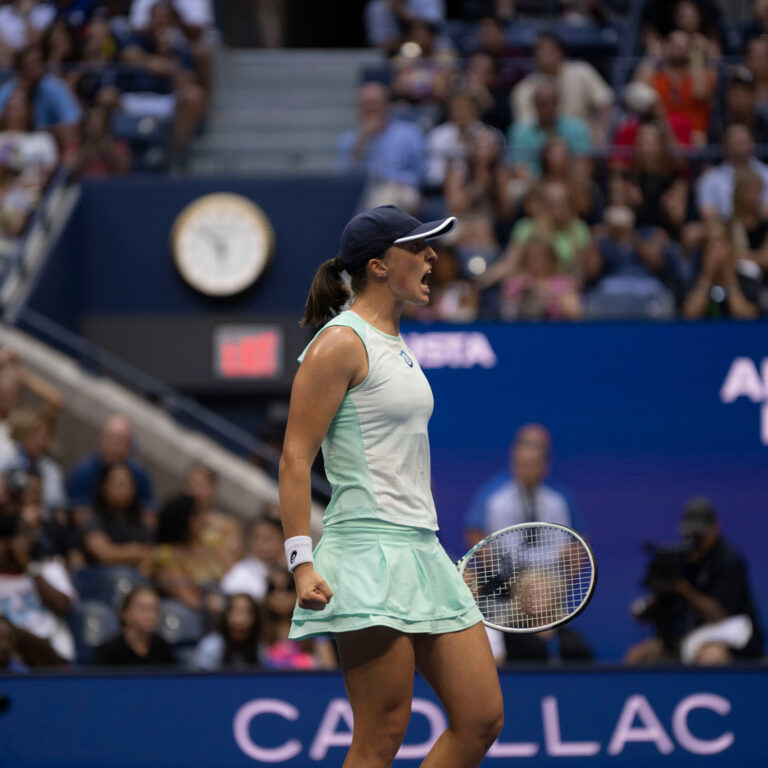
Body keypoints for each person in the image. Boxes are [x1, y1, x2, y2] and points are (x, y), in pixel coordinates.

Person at [279, 204, 503, 767]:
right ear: (379, 266)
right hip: (364, 553)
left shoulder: (395, 342)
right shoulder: (340, 343)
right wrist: (301, 562)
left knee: (480, 719)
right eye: (419, 248)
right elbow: (294, 458)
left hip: (421, 550)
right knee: (380, 736)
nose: (433, 256)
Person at [625, 497, 764, 665]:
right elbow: (663, 612)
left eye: (701, 533)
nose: (695, 538)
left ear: (715, 527)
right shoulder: (681, 561)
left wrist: (684, 590)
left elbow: (718, 615)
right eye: (691, 533)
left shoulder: (729, 561)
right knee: (637, 656)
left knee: (710, 657)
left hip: (731, 639)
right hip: (687, 638)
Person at [464, 424, 583, 549]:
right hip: (506, 567)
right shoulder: (492, 496)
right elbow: (474, 532)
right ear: (514, 460)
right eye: (524, 464)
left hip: (551, 567)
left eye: (534, 464)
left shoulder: (560, 498)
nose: (528, 470)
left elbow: (579, 540)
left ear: (545, 464)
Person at [511, 31, 613, 143]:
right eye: (541, 50)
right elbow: (525, 128)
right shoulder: (523, 89)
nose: (546, 55)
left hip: (584, 147)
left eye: (551, 50)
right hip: (541, 151)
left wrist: (602, 136)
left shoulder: (583, 71)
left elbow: (605, 102)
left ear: (562, 52)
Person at [145, 493, 226, 614]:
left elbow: (232, 573)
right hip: (193, 614)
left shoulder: (211, 541)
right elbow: (189, 599)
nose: (203, 519)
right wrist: (223, 607)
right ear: (182, 520)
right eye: (197, 515)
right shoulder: (164, 556)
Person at [67, 413, 154, 526]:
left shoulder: (140, 475)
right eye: (112, 441)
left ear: (129, 447)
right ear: (102, 440)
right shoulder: (83, 472)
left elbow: (149, 517)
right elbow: (80, 517)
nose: (115, 449)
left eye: (121, 443)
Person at [80, 463, 153, 566]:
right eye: (117, 484)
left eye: (127, 484)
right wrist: (134, 550)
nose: (122, 489)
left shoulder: (140, 524)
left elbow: (151, 554)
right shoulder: (94, 520)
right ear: (104, 487)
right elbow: (103, 553)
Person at [697, 123, 768, 221]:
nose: (742, 148)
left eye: (745, 142)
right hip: (725, 231)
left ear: (753, 143)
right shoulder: (711, 177)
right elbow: (707, 212)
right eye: (737, 143)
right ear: (725, 147)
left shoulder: (765, 173)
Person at [93, 584, 175, 666]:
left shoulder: (163, 648)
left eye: (155, 609)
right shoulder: (108, 651)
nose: (151, 616)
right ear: (125, 614)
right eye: (143, 609)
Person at [220, 512, 283, 601]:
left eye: (268, 538)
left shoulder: (291, 572)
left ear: (283, 539)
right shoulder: (237, 577)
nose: (261, 544)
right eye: (256, 538)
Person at [193, 592, 262, 670]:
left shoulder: (261, 648)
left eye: (248, 612)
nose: (240, 621)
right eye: (236, 611)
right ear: (226, 615)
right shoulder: (210, 647)